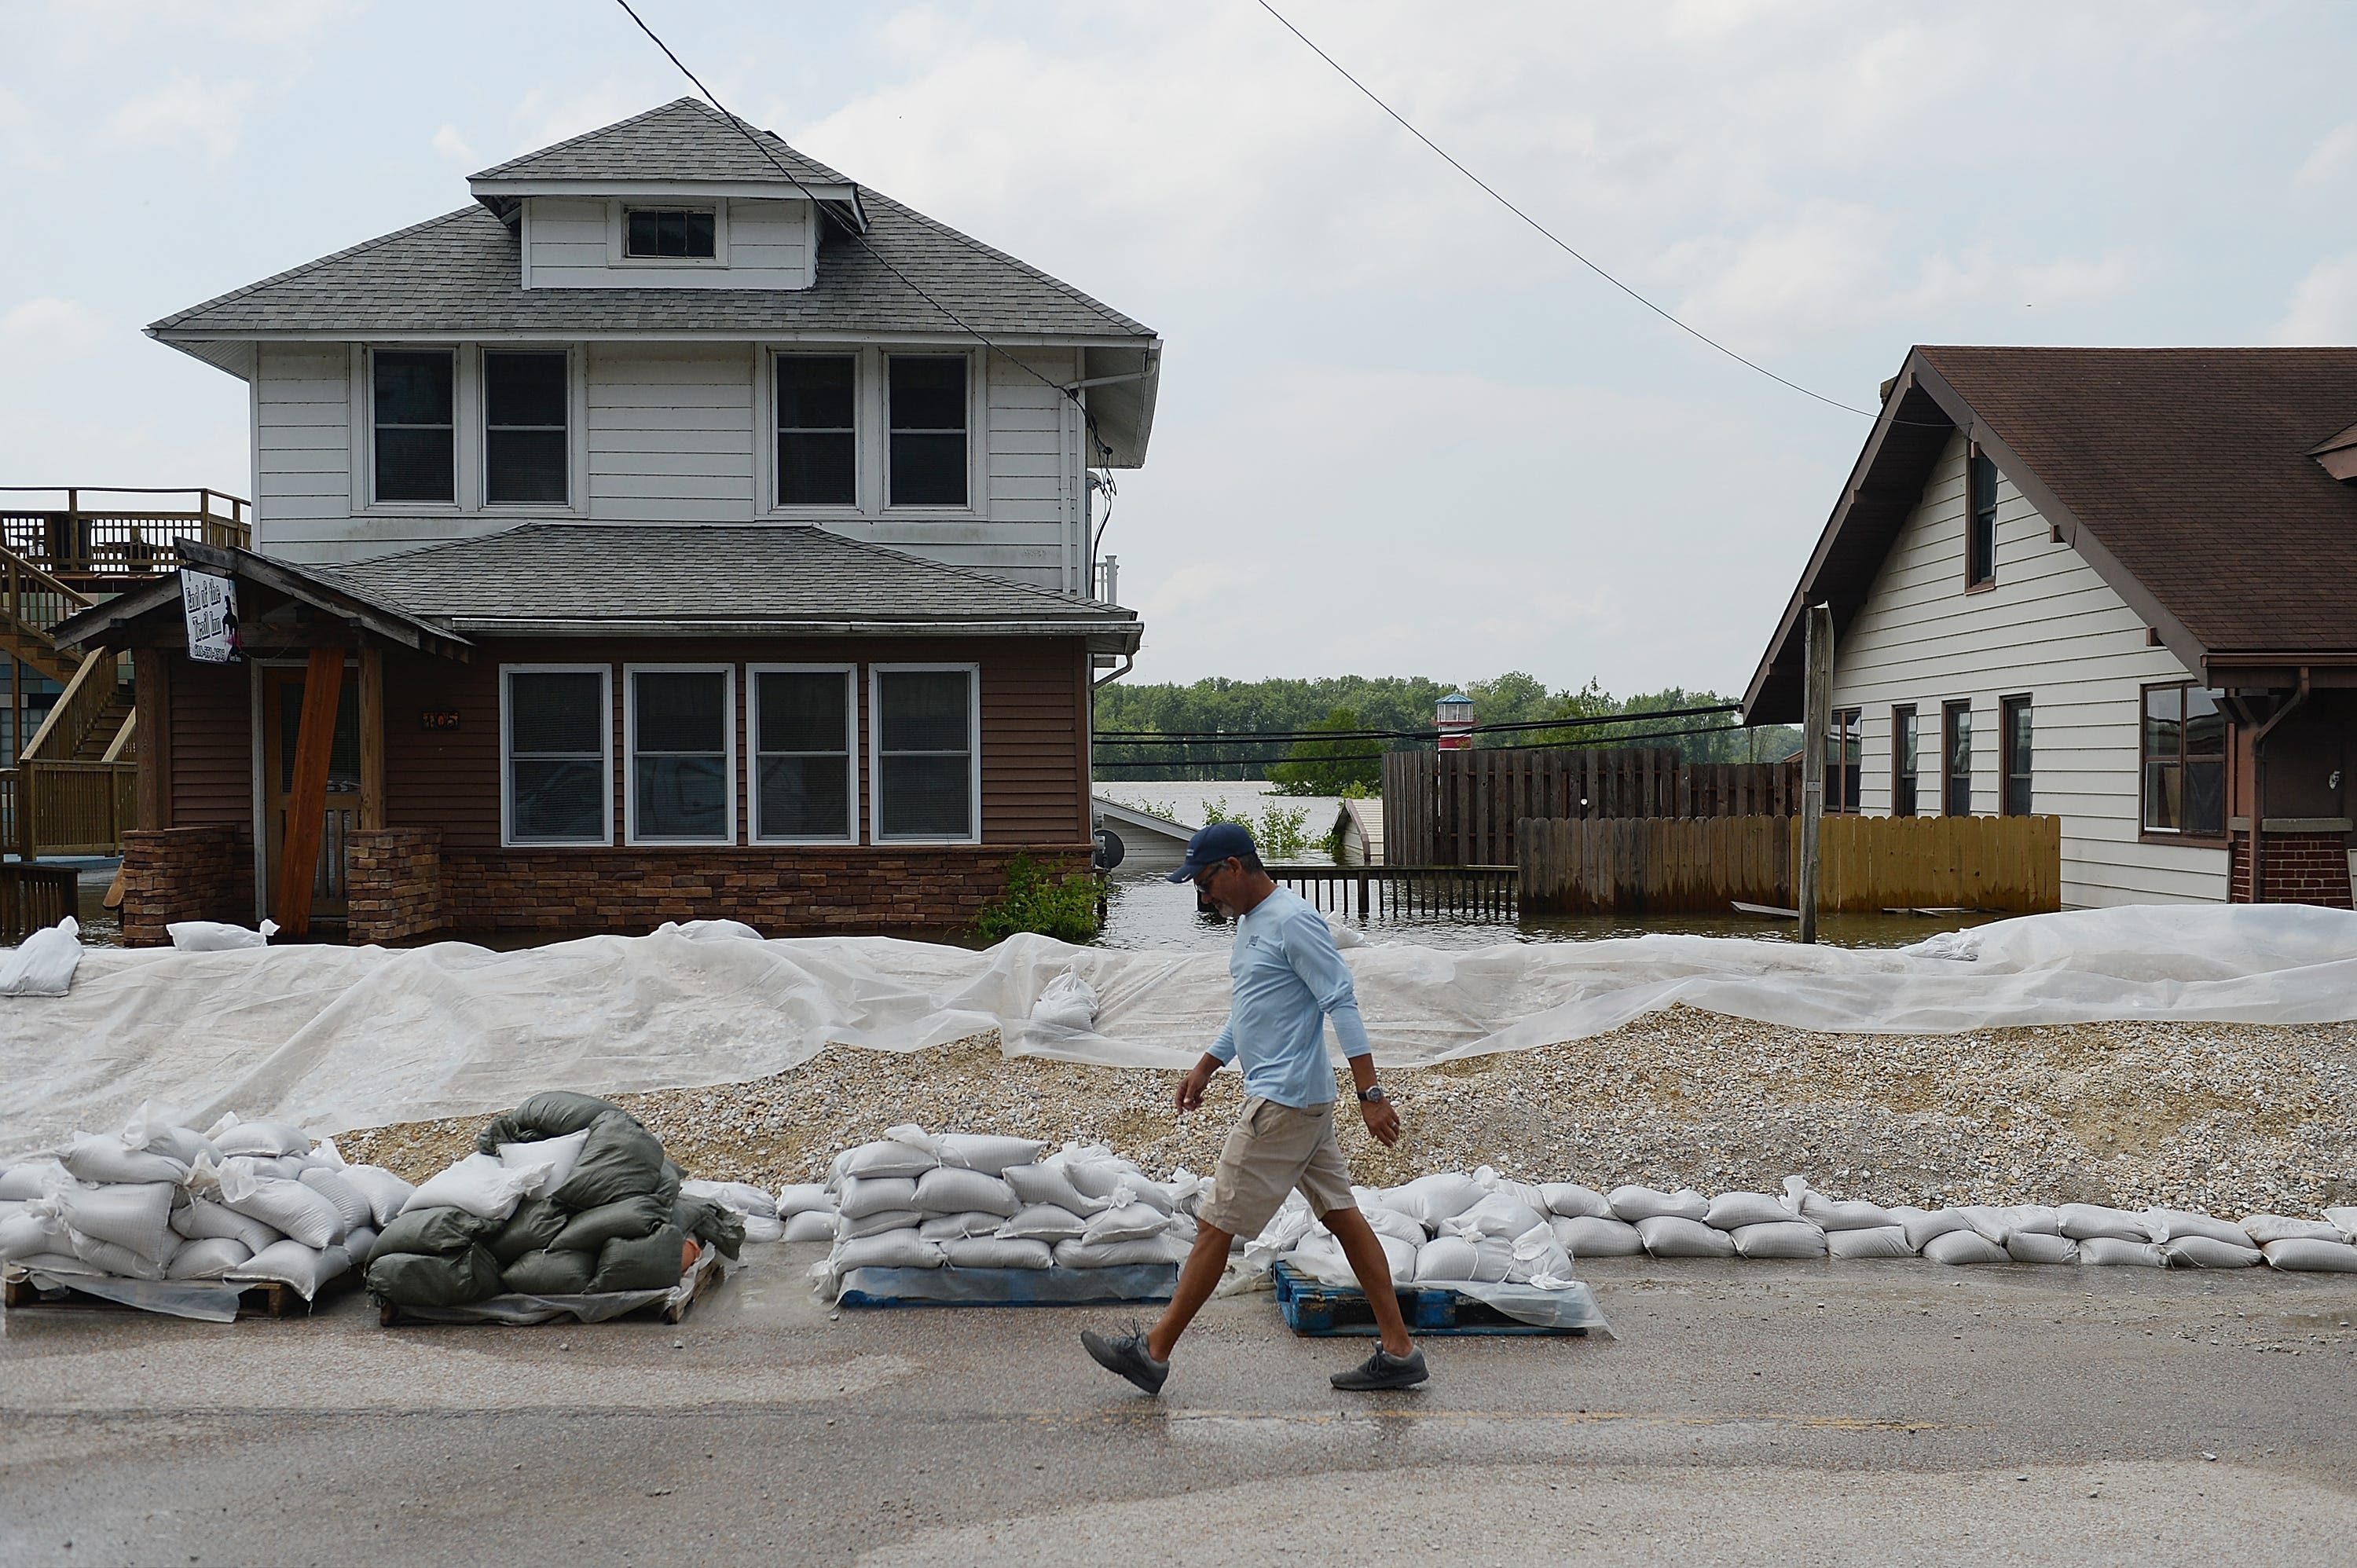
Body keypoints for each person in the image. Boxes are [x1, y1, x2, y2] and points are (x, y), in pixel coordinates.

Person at [1081, 821, 1427, 1394]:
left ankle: (1154, 1352)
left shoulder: (1293, 922)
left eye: (1204, 880)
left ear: (1234, 868)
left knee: (1215, 1225)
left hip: (1283, 1103)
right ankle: (1399, 1351)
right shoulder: (1249, 926)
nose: (1202, 893)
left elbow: (1340, 1001)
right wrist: (1208, 1064)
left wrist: (1372, 1094)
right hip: (1300, 1100)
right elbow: (1252, 1010)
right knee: (1342, 1217)